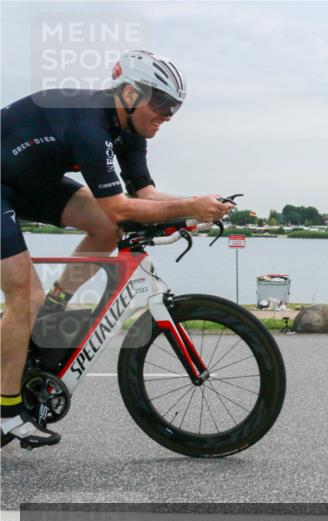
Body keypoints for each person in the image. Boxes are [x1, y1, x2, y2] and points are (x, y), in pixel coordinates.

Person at [1, 50, 234, 448]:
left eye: (174, 107)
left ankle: (55, 307)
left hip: (29, 183)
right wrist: (190, 207)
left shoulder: (130, 132)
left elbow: (146, 194)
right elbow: (120, 205)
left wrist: (198, 208)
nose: (168, 114)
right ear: (128, 93)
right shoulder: (90, 124)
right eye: (161, 103)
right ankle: (6, 412)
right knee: (25, 295)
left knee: (107, 228)